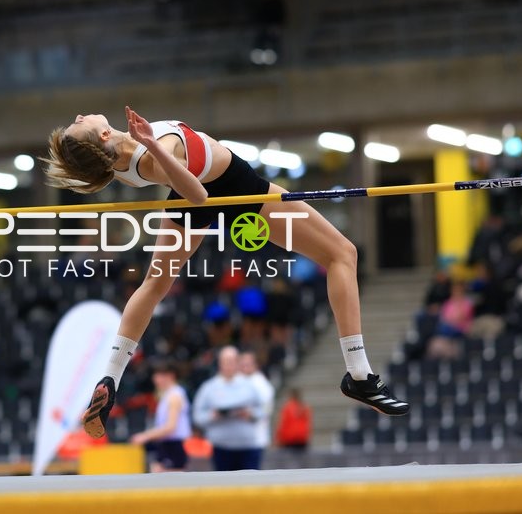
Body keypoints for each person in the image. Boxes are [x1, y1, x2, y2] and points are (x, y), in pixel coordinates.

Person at [41, 108, 409, 438]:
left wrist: (146, 146)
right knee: (343, 253)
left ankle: (110, 376)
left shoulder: (115, 164)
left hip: (192, 194)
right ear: (103, 136)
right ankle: (359, 375)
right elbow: (198, 194)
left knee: (154, 285)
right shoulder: (153, 151)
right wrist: (152, 144)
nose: (77, 116)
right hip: (235, 188)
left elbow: (180, 186)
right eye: (79, 125)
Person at [192, 346, 266, 471]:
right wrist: (213, 415)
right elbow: (197, 416)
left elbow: (262, 411)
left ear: (237, 362)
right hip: (221, 447)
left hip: (248, 446)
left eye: (232, 361)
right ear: (220, 363)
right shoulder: (208, 388)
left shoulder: (250, 386)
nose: (229, 365)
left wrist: (249, 414)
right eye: (226, 361)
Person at [130, 359, 191, 472]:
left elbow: (171, 426)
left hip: (174, 446)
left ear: (170, 376)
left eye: (158, 375)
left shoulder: (174, 396)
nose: (155, 379)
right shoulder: (167, 395)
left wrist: (145, 436)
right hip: (166, 445)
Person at [238, 350, 275, 454]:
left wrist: (252, 414)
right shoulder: (236, 381)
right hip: (236, 440)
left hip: (256, 438)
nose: (244, 367)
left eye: (248, 364)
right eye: (242, 364)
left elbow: (267, 408)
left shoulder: (262, 385)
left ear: (255, 365)